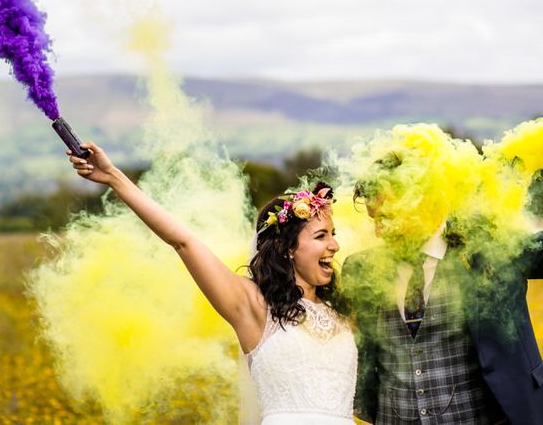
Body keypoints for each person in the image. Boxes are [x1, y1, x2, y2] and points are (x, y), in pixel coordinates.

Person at [68, 142, 358, 425]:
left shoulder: (343, 309)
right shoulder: (253, 305)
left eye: (334, 234)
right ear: (287, 248)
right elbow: (183, 241)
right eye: (321, 236)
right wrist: (113, 177)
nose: (334, 245)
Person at [343, 155, 543, 425]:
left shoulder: (486, 251)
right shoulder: (362, 268)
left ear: (417, 202)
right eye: (373, 219)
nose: (378, 231)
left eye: (385, 217)